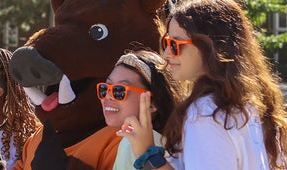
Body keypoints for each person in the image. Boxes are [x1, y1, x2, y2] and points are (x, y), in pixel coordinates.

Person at [118, 0, 287, 169]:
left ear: (210, 46)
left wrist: (146, 153)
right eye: (166, 43)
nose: (167, 54)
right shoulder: (250, 104)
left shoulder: (206, 113)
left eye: (175, 44)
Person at [96, 50, 181, 170]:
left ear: (153, 103)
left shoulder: (131, 144)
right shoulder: (176, 143)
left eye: (119, 91)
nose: (108, 96)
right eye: (104, 88)